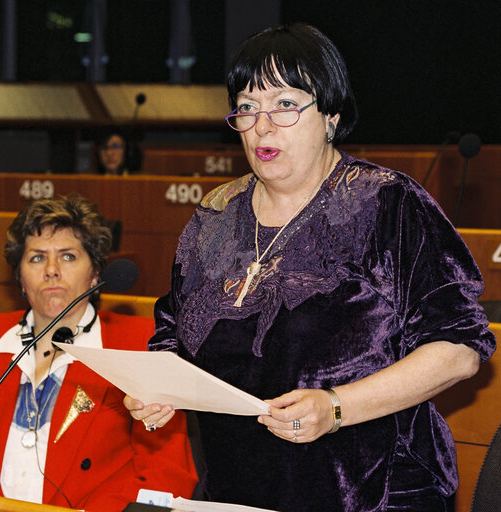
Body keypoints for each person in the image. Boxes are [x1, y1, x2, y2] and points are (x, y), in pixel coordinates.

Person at [125, 23, 496, 512]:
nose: (262, 125)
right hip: (238, 491)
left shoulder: (388, 204)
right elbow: (173, 334)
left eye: (284, 104)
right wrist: (157, 389)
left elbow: (458, 349)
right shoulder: (214, 215)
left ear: (330, 116)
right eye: (248, 107)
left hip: (375, 490)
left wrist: (338, 407)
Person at [0, 195, 198, 511]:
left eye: (69, 256)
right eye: (36, 258)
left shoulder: (141, 345)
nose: (52, 270)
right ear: (19, 277)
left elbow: (166, 473)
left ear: (96, 273)